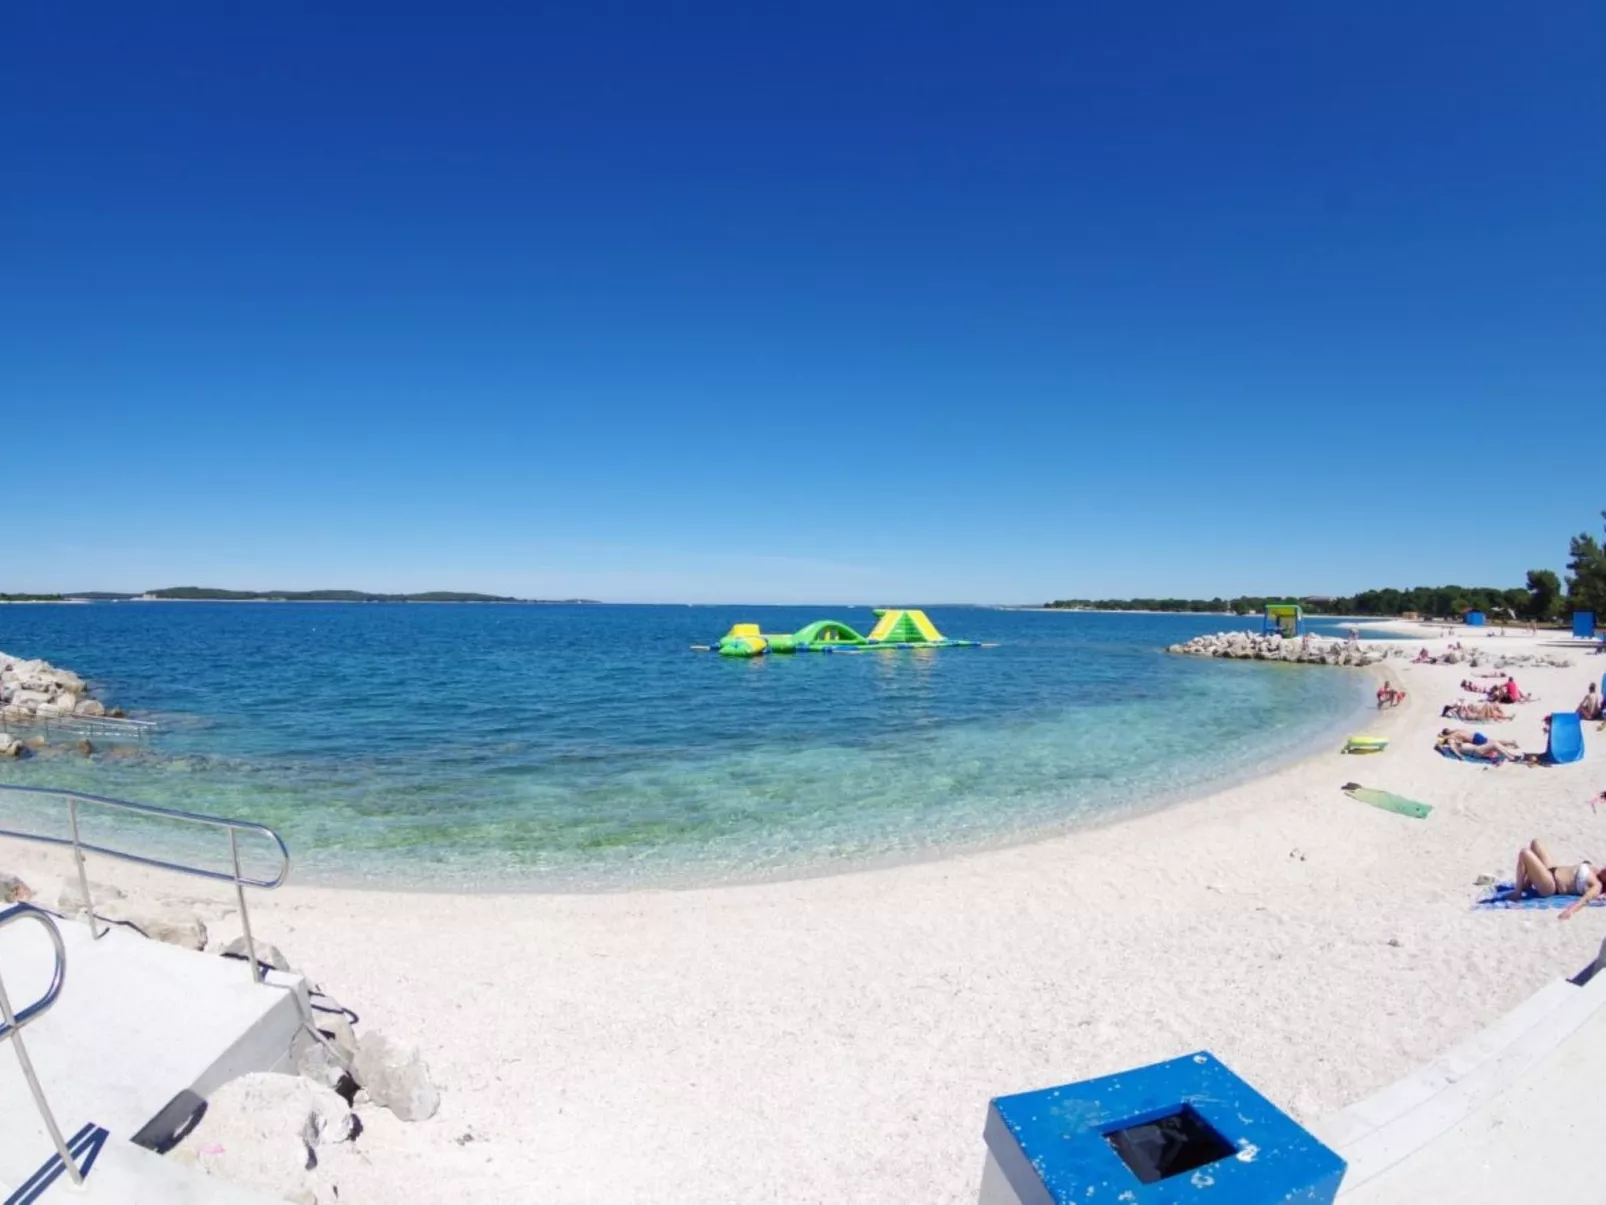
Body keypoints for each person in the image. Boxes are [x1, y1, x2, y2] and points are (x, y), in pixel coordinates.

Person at [1505, 839, 1602, 919]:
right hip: (1552, 870)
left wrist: (1569, 911)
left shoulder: (1597, 885)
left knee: (1524, 853)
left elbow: (1585, 900)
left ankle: (1517, 894)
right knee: (1536, 843)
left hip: (1551, 885)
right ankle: (1527, 884)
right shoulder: (1595, 870)